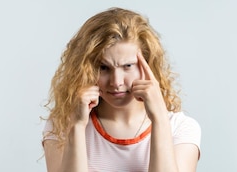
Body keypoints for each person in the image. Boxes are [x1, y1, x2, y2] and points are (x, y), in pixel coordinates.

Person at [42, 7, 201, 172]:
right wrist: (76, 127)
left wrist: (160, 118)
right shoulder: (60, 126)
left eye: (128, 66)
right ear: (86, 70)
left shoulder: (181, 128)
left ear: (148, 65)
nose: (116, 82)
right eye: (104, 67)